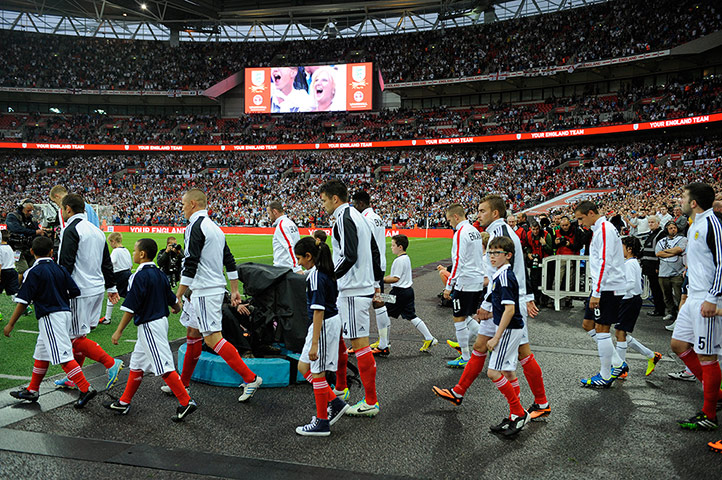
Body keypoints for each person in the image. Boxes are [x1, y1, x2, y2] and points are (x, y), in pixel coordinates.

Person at [434, 195, 550, 421]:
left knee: (519, 356)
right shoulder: (504, 231)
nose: (479, 215)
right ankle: (459, 392)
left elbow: (501, 275)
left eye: (482, 211)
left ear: (495, 213)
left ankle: (535, 405)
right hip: (505, 300)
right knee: (480, 345)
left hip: (505, 304)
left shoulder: (500, 234)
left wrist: (489, 304)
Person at [175, 188, 262, 403]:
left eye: (184, 204)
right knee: (193, 333)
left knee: (213, 338)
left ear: (193, 204)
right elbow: (229, 260)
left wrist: (178, 294)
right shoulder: (215, 228)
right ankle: (182, 383)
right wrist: (234, 289)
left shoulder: (194, 226)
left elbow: (190, 263)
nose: (182, 208)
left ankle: (251, 378)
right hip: (211, 288)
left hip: (204, 290)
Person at [104, 238, 197, 422]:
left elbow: (131, 307)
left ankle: (186, 402)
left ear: (142, 254)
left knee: (163, 365)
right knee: (137, 363)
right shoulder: (159, 274)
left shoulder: (138, 276)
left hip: (149, 325)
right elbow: (173, 300)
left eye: (134, 250)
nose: (132, 253)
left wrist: (119, 330)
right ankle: (124, 402)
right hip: (160, 322)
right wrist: (176, 308)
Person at [3, 236, 97, 408]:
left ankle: (85, 388)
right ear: (52, 252)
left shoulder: (33, 272)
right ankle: (33, 390)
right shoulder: (60, 269)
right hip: (64, 313)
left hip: (49, 315)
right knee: (42, 353)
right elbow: (74, 291)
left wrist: (11, 324)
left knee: (63, 356)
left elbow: (23, 301)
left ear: (31, 252)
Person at [319, 179, 383, 417]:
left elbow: (349, 255)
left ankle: (371, 401)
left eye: (324, 200)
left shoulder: (344, 218)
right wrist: (376, 284)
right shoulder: (360, 217)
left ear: (335, 199)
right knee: (340, 337)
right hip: (358, 287)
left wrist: (331, 279)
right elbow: (375, 252)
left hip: (352, 289)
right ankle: (341, 386)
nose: (323, 205)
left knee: (359, 343)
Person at [54, 193, 124, 391]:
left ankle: (111, 363)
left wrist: (58, 288)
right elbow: (106, 262)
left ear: (68, 209)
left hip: (79, 290)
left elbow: (66, 263)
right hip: (96, 289)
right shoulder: (97, 230)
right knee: (80, 335)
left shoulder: (71, 229)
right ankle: (72, 378)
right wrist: (111, 287)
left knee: (74, 338)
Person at [670, 182, 721, 430]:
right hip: (693, 296)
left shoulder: (713, 223)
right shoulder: (694, 225)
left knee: (707, 355)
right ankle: (714, 394)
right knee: (678, 344)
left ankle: (709, 414)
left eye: (683, 197)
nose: (679, 201)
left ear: (693, 203)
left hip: (707, 298)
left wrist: (713, 297)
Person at [293, 236, 348, 436]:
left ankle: (322, 422)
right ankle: (334, 401)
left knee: (317, 372)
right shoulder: (322, 272)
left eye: (300, 258)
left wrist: (315, 343)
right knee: (303, 367)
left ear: (309, 256)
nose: (298, 262)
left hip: (324, 325)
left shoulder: (316, 276)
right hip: (322, 324)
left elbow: (318, 310)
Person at [574, 200, 628, 387]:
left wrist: (597, 292)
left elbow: (605, 262)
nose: (581, 224)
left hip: (608, 286)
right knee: (588, 324)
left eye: (581, 219)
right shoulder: (601, 229)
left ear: (590, 213)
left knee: (602, 329)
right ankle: (618, 363)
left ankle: (605, 375)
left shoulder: (604, 228)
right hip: (602, 285)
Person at [485, 236, 530, 437]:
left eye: (497, 253)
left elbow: (510, 310)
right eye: (490, 252)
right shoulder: (501, 274)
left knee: (493, 373)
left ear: (508, 255)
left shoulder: (504, 277)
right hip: (513, 328)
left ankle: (519, 413)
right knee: (509, 372)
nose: (492, 256)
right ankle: (514, 416)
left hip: (509, 329)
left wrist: (496, 336)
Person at [441, 203, 485, 368]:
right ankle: (489, 342)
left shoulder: (461, 232)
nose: (449, 223)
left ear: (456, 217)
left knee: (459, 318)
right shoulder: (474, 231)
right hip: (476, 280)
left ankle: (466, 357)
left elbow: (458, 260)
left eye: (449, 220)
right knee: (467, 316)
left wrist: (449, 285)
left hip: (465, 281)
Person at [614, 236, 662, 377]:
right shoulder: (630, 262)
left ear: (629, 249)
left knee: (620, 333)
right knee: (620, 333)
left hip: (630, 301)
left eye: (621, 246)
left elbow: (630, 283)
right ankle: (651, 355)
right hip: (628, 300)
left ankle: (620, 368)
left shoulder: (630, 263)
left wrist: (615, 291)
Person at [352, 190, 393, 356]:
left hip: (370, 266)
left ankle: (366, 345)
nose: (354, 207)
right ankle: (383, 342)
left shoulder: (365, 219)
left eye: (355, 204)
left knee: (363, 303)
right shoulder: (377, 218)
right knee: (378, 301)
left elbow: (366, 246)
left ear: (361, 204)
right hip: (379, 265)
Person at [384, 235, 437, 351]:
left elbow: (395, 278)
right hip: (408, 291)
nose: (391, 247)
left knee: (382, 311)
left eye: (393, 245)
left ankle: (384, 342)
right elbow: (394, 276)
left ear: (400, 247)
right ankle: (429, 337)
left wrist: (380, 280)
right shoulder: (406, 258)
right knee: (411, 316)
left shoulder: (398, 261)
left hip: (398, 293)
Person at [655, 221, 687, 328]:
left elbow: (680, 249)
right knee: (666, 295)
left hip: (677, 272)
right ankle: (670, 313)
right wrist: (673, 252)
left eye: (674, 227)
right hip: (663, 272)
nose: (673, 229)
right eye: (670, 228)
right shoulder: (661, 241)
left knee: (679, 295)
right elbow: (658, 253)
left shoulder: (682, 239)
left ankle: (680, 315)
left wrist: (667, 252)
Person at [5, 199, 44, 285]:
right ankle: (17, 290)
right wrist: (34, 232)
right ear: (22, 208)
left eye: (31, 210)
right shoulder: (12, 216)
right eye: (28, 210)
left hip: (29, 247)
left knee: (34, 269)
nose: (30, 212)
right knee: (23, 270)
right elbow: (15, 229)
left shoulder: (31, 219)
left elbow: (36, 229)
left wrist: (41, 232)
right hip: (17, 248)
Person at [100, 232, 132, 325]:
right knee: (128, 294)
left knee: (112, 293)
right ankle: (139, 310)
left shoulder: (116, 251)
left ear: (113, 241)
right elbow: (130, 265)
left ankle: (107, 317)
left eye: (110, 242)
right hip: (127, 273)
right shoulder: (126, 250)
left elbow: (111, 263)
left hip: (118, 275)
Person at [642, 216, 666, 318]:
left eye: (652, 222)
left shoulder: (661, 234)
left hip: (655, 267)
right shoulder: (651, 234)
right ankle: (658, 308)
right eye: (649, 222)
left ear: (658, 223)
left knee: (658, 289)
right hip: (649, 266)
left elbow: (660, 251)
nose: (650, 224)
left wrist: (657, 266)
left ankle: (660, 309)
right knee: (654, 289)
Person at [268, 201, 302, 273]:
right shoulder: (291, 223)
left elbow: (290, 246)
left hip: (283, 268)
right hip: (290, 266)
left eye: (269, 213)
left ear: (274, 212)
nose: (269, 216)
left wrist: (297, 268)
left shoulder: (281, 226)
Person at [0, 230, 20, 302]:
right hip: (12, 270)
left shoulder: (1, 248)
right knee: (14, 291)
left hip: (3, 271)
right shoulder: (9, 247)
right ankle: (25, 307)